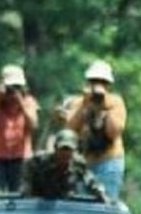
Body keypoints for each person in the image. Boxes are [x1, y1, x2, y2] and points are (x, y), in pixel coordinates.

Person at [63, 59, 127, 200]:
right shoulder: (79, 102)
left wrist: (104, 106)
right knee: (80, 206)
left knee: (107, 203)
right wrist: (85, 104)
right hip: (83, 163)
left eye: (102, 82)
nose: (98, 86)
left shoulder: (115, 102)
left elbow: (114, 132)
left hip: (109, 163)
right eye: (94, 81)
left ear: (108, 84)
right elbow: (70, 130)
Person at [0, 64, 40, 193]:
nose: (12, 91)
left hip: (21, 159)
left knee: (20, 197)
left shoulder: (29, 101)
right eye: (10, 87)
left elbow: (34, 125)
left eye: (17, 87)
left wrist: (21, 103)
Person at [20, 129, 108, 202]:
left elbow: (90, 180)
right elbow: (27, 174)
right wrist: (27, 188)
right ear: (55, 148)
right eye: (63, 149)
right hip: (39, 202)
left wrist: (99, 191)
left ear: (75, 150)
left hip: (65, 204)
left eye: (69, 150)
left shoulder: (78, 164)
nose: (65, 153)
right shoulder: (39, 161)